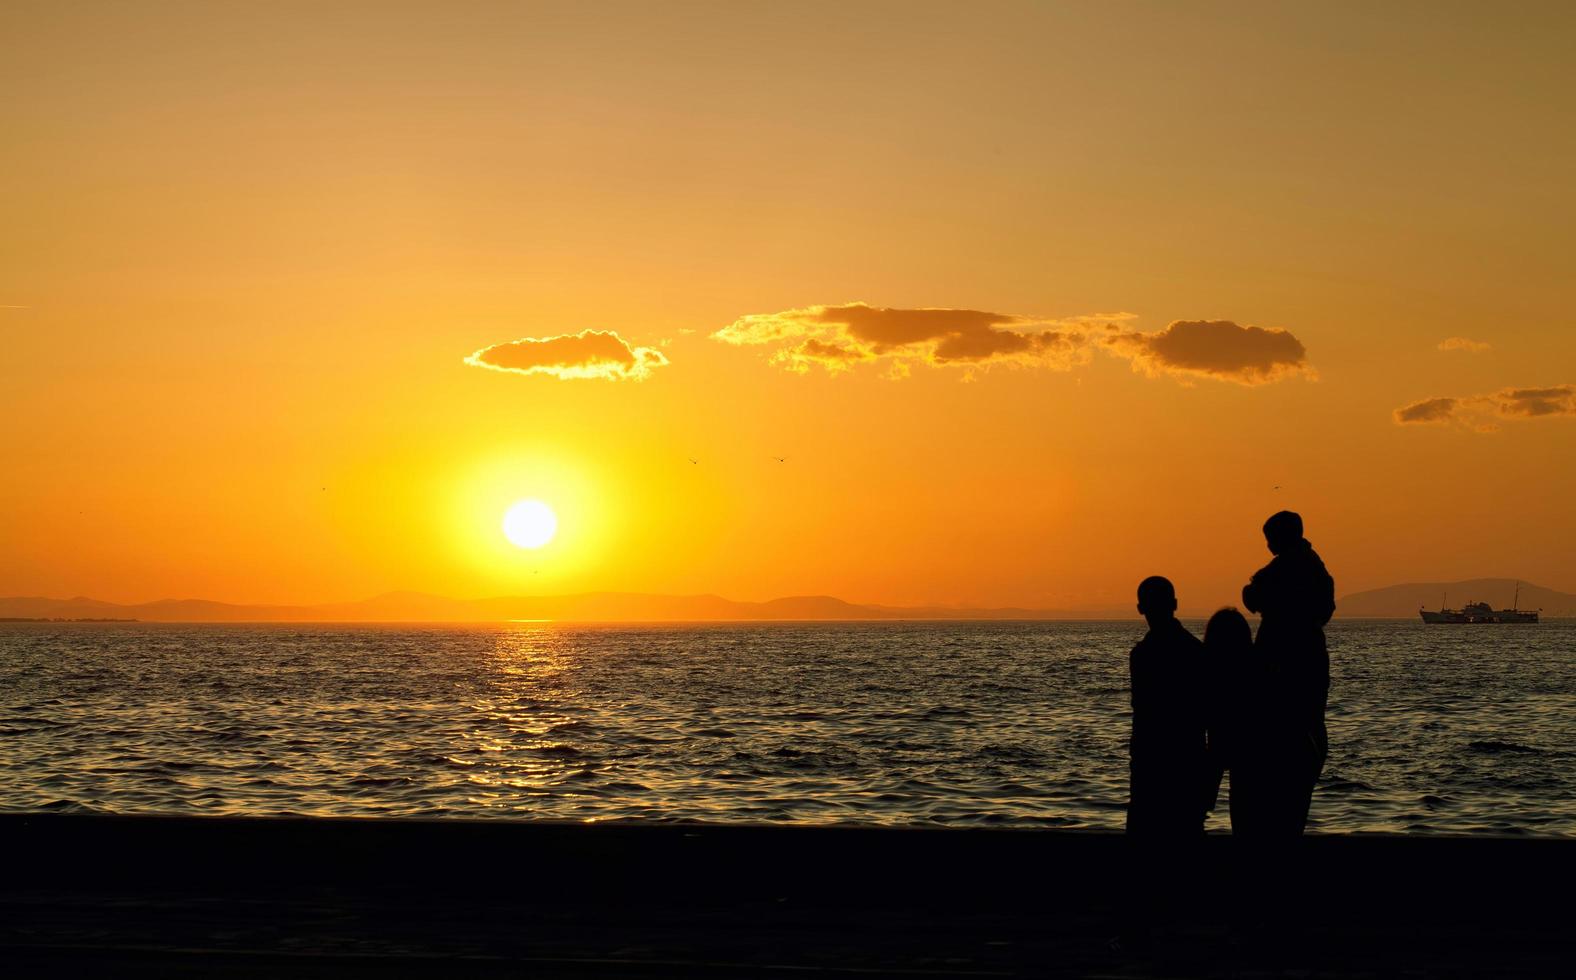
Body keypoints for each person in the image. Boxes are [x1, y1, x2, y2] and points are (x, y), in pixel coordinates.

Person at [1241, 511, 1335, 834]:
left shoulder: (1285, 568)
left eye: (1270, 538)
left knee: (1283, 745)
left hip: (1283, 664)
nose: (1268, 545)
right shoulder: (1316, 567)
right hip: (1309, 661)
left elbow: (1252, 595)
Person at [1127, 576, 1210, 837]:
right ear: (1175, 604)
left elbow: (1143, 712)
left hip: (1150, 762)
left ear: (1140, 608)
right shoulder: (1196, 651)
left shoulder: (1141, 655)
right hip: (1187, 760)